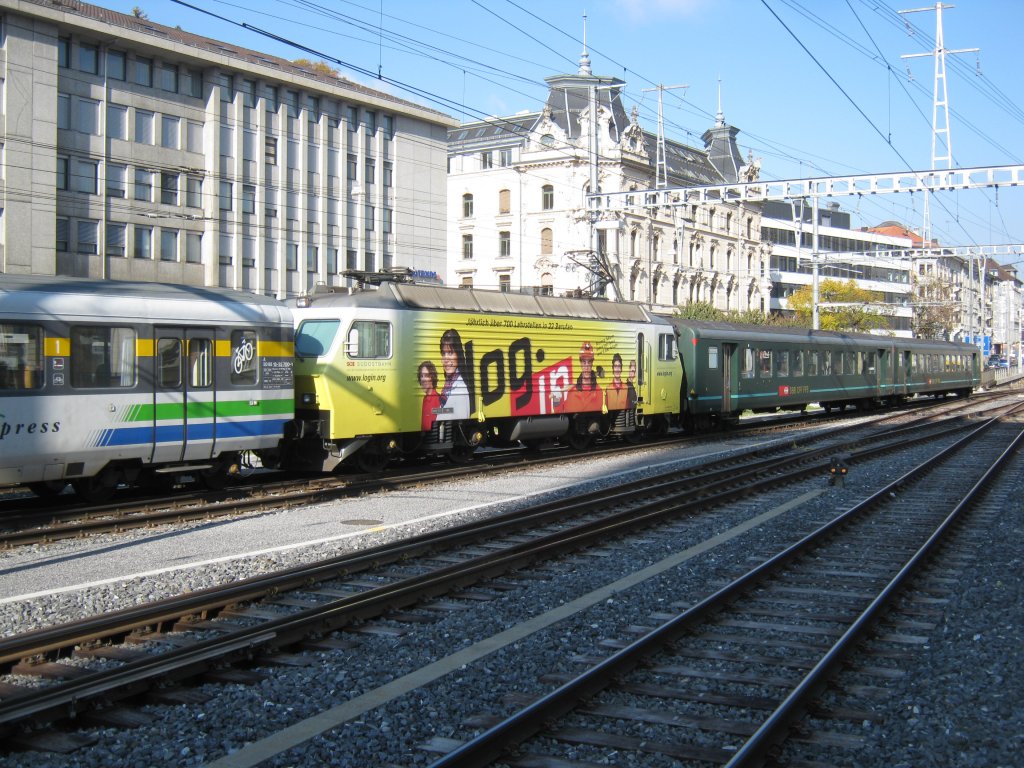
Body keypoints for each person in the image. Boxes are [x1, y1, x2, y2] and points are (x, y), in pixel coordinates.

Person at [437, 328, 470, 420]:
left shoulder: (460, 389)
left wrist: (434, 411)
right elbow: (448, 410)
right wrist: (434, 410)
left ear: (458, 355)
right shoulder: (448, 386)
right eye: (443, 353)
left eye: (450, 353)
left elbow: (460, 420)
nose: (446, 359)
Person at [564, 341, 603, 412]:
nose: (587, 366)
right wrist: (556, 402)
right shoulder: (572, 392)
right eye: (584, 362)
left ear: (592, 364)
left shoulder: (599, 392)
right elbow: (564, 414)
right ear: (580, 364)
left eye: (589, 362)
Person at [418, 360, 441, 431]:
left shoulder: (439, 399)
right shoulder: (425, 399)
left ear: (432, 377)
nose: (423, 379)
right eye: (421, 376)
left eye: (426, 375)